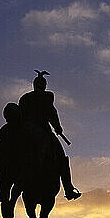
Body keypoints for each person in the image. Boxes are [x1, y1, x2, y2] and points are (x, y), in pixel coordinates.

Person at [18, 70, 81, 200]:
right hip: (43, 131)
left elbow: (21, 115)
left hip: (26, 132)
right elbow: (52, 112)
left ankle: (5, 188)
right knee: (61, 157)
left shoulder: (25, 98)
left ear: (34, 85)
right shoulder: (48, 96)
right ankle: (68, 188)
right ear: (44, 85)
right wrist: (57, 127)